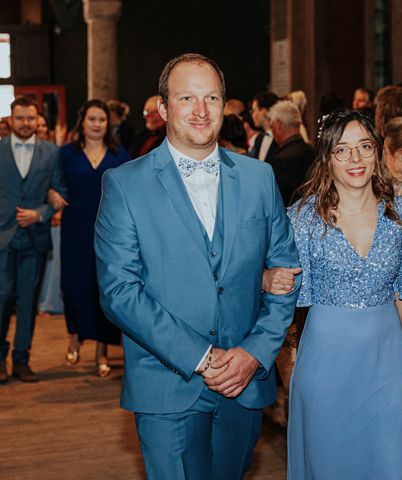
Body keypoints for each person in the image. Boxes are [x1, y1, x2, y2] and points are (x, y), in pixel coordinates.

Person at [94, 53, 300, 479]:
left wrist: (253, 354)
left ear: (225, 106)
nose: (201, 110)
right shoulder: (125, 184)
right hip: (166, 383)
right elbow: (119, 291)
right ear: (164, 107)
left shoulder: (259, 178)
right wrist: (203, 358)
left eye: (212, 97)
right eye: (187, 97)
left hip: (243, 384)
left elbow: (286, 275)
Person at [275, 109, 402, 479]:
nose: (355, 159)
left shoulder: (400, 217)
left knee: (389, 461)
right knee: (332, 464)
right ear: (327, 158)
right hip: (325, 365)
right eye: (343, 150)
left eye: (364, 147)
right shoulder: (302, 219)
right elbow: (282, 295)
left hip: (388, 365)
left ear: (376, 152)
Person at [60, 99, 130, 376]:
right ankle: (74, 337)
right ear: (82, 122)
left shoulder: (119, 155)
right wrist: (53, 193)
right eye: (92, 119)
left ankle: (102, 351)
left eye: (102, 119)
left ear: (108, 124)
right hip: (75, 228)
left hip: (109, 230)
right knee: (74, 286)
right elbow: (55, 183)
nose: (97, 124)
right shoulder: (66, 154)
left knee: (104, 288)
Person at [0, 96, 66, 383]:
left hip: (35, 239)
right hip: (2, 238)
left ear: (37, 120)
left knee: (27, 301)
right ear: (11, 120)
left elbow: (60, 192)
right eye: (20, 118)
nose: (25, 124)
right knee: (1, 300)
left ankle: (22, 359)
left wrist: (40, 213)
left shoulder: (52, 153)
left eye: (30, 118)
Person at [268, 100, 314, 206]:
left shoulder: (283, 159)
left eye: (272, 126)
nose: (272, 130)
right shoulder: (310, 150)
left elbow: (276, 200)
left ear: (278, 125)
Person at [248, 91, 279, 162]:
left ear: (265, 111)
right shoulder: (259, 138)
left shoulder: (280, 137)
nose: (252, 115)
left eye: (254, 110)